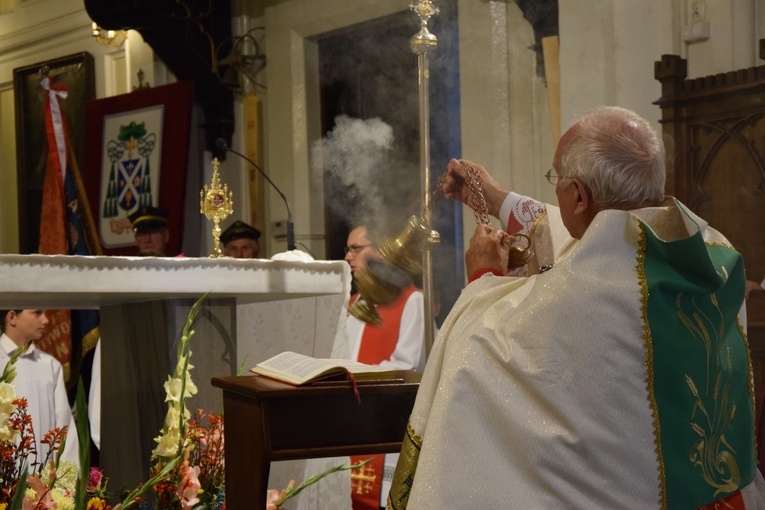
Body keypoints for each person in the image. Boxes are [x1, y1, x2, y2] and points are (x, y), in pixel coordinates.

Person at [388, 106, 765, 508]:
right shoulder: (712, 253)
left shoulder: (580, 294)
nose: (554, 192)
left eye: (557, 180)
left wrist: (483, 277)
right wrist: (496, 198)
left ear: (580, 195)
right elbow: (589, 231)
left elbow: (475, 355)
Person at [344, 223, 426, 510]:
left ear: (380, 252)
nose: (348, 257)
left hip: (388, 424)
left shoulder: (412, 301)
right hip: (351, 423)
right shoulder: (354, 303)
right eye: (347, 249)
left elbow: (408, 366)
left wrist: (351, 376)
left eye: (356, 249)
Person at [0, 310, 79, 468]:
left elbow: (63, 425)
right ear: (12, 317)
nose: (45, 320)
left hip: (42, 478)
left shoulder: (49, 365)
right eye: (37, 313)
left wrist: (65, 478)